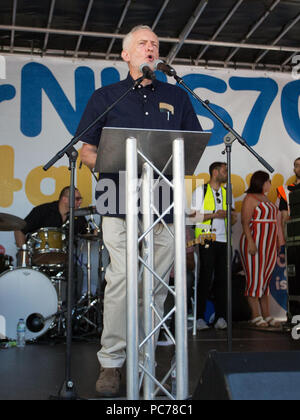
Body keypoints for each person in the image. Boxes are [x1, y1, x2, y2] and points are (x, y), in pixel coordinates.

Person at [76, 25, 202, 397]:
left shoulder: (177, 97)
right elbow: (86, 151)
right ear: (126, 55)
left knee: (157, 287)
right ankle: (112, 362)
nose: (151, 49)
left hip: (163, 201)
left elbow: (192, 147)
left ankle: (145, 358)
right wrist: (116, 163)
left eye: (155, 45)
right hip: (117, 198)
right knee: (122, 279)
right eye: (143, 44)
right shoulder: (107, 97)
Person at [190, 162, 237, 331]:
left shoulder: (227, 192)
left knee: (223, 279)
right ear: (215, 172)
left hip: (225, 240)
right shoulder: (200, 191)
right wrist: (215, 214)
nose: (227, 173)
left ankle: (220, 316)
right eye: (224, 170)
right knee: (205, 277)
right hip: (206, 238)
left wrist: (230, 216)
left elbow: (234, 218)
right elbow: (193, 217)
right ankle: (200, 317)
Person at [239, 171, 279, 328]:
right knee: (254, 278)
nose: (270, 184)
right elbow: (244, 221)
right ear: (261, 182)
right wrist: (250, 242)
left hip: (269, 244)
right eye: (268, 181)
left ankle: (267, 314)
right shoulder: (250, 198)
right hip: (255, 241)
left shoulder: (266, 199)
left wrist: (276, 242)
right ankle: (256, 315)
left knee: (265, 279)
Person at [14, 186, 87, 249]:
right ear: (65, 199)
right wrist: (23, 253)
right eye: (77, 199)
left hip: (65, 260)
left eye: (80, 199)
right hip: (37, 259)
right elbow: (19, 230)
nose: (80, 202)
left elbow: (89, 233)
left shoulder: (78, 216)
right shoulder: (43, 211)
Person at [277, 157, 300, 235]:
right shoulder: (285, 190)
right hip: (294, 233)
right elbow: (285, 218)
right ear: (294, 169)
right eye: (297, 165)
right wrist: (285, 241)